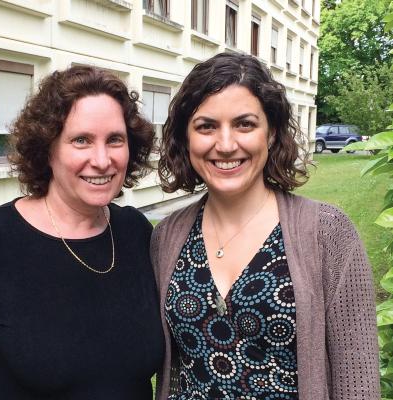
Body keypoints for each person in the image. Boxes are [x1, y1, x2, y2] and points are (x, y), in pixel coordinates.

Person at [151, 52, 379, 399]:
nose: (226, 145)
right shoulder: (166, 237)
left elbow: (357, 379)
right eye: (206, 126)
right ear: (186, 137)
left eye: (245, 124)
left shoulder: (328, 233)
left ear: (271, 133)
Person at [0, 65, 164, 399]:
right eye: (81, 140)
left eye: (114, 139)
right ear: (48, 148)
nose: (102, 160)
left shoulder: (135, 232)